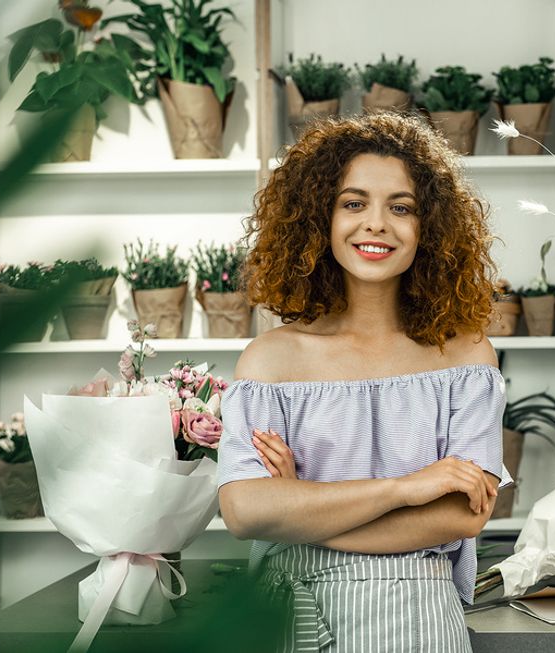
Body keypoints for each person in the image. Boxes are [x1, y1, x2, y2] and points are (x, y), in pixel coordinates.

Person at [217, 112, 511, 653]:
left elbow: (459, 516)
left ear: (431, 230)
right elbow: (244, 512)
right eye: (353, 203)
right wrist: (406, 489)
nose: (376, 223)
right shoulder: (270, 362)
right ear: (317, 219)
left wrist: (299, 510)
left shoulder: (467, 357)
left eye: (401, 208)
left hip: (418, 623)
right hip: (286, 616)